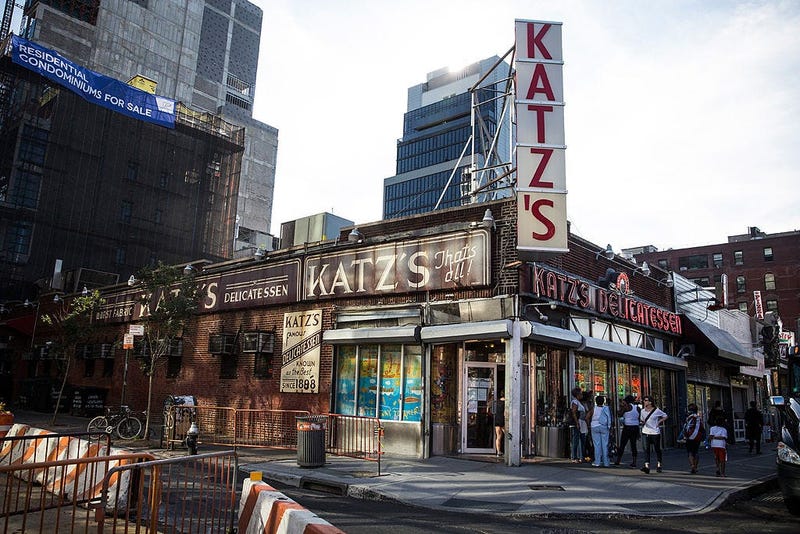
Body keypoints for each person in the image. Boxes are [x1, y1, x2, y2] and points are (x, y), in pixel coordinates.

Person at [639, 395, 668, 474]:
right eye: (644, 400)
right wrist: (642, 422)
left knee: (657, 449)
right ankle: (647, 466)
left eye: (646, 400)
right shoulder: (642, 411)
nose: (644, 402)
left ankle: (659, 464)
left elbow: (665, 416)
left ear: (650, 402)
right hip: (645, 431)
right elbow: (641, 419)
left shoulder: (656, 410)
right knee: (646, 449)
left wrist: (659, 422)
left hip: (655, 432)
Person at [615, 395, 640, 467]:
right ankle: (634, 461)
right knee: (633, 445)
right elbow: (639, 417)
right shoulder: (637, 408)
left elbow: (619, 414)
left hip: (627, 427)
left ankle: (618, 460)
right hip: (635, 427)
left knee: (623, 444)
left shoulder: (626, 407)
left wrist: (621, 406)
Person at [587, 395, 613, 467]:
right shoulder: (606, 408)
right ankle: (606, 462)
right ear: (603, 401)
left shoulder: (593, 409)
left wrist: (589, 425)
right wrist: (609, 427)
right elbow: (609, 418)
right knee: (605, 444)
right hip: (604, 427)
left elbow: (587, 417)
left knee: (597, 445)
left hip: (594, 426)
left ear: (595, 401)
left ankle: (597, 462)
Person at [683, 403, 705, 474]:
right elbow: (701, 428)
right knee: (696, 452)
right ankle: (695, 467)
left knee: (690, 452)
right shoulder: (698, 418)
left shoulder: (688, 418)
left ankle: (692, 465)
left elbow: (685, 427)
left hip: (689, 437)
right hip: (697, 437)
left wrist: (685, 436)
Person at [569, 387, 586, 463]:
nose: (582, 395)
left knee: (582, 439)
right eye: (581, 393)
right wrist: (577, 423)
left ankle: (581, 456)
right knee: (576, 439)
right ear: (577, 394)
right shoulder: (575, 402)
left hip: (581, 422)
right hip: (578, 422)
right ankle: (574, 456)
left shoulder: (578, 402)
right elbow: (573, 412)